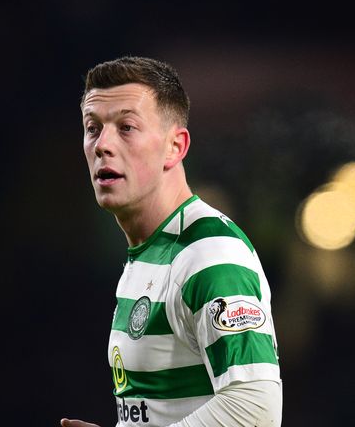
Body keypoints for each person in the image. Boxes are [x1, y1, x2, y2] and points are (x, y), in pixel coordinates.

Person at [61, 56, 282, 427]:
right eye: (93, 127)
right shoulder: (151, 253)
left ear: (174, 147)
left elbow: (255, 408)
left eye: (127, 127)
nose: (102, 144)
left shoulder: (209, 251)